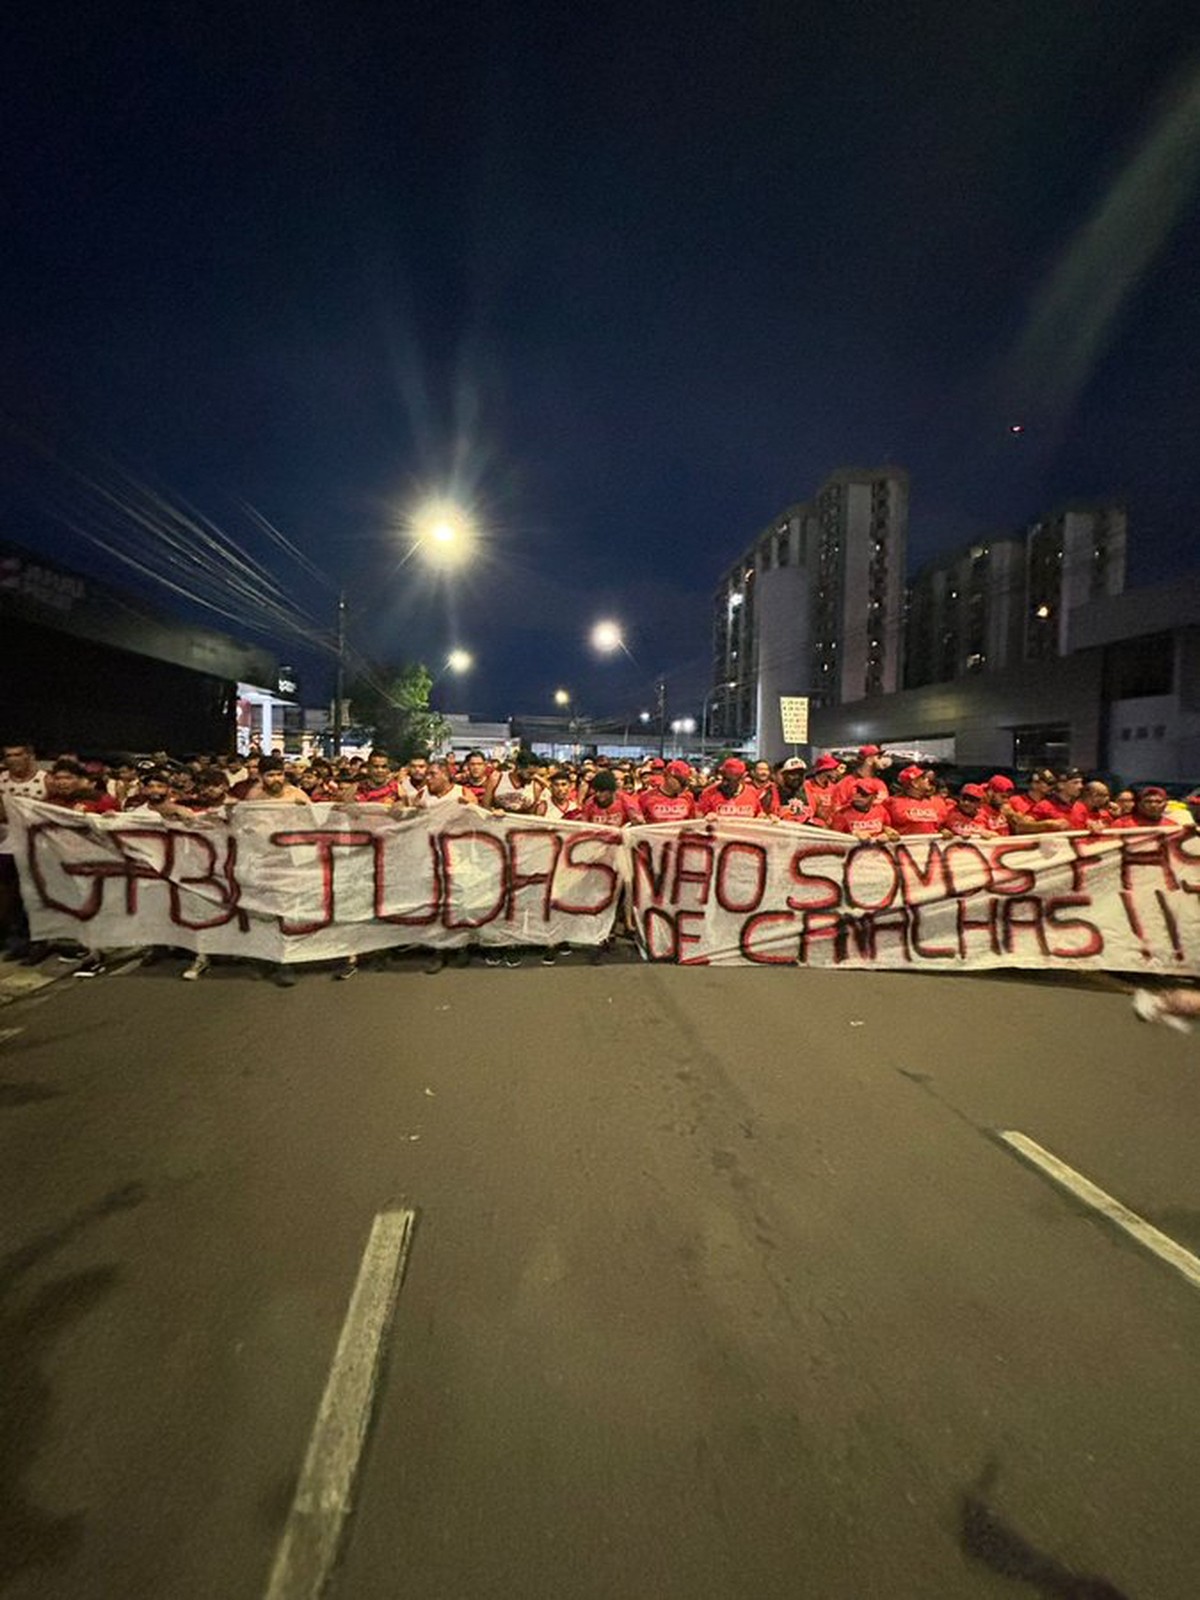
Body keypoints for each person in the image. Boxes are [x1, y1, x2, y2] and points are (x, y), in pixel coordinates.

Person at [0, 740, 48, 958]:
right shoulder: (1, 780)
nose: (13, 759)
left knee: (36, 895)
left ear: (29, 755)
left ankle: (40, 941)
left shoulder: (45, 780)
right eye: (8, 755)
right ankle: (16, 941)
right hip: (6, 847)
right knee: (10, 897)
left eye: (18, 754)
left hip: (38, 848)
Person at [885, 766, 946, 835]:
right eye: (923, 778)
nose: (928, 780)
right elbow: (884, 824)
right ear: (914, 783)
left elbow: (942, 825)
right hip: (905, 844)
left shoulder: (938, 802)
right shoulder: (892, 802)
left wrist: (943, 830)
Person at [831, 781, 898, 839]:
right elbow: (835, 838)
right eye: (856, 792)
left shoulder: (881, 811)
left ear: (874, 797)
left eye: (864, 794)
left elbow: (886, 827)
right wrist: (853, 835)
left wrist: (887, 831)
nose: (858, 796)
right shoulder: (842, 813)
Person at [698, 758, 762, 819]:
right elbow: (698, 818)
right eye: (724, 778)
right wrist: (706, 817)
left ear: (741, 779)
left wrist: (765, 817)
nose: (725, 783)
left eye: (729, 780)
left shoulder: (751, 793)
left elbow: (759, 815)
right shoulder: (708, 793)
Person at [1108, 786, 1180, 831]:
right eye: (1148, 801)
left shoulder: (1173, 827)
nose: (1153, 805)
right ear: (1139, 804)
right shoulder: (1121, 824)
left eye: (1158, 802)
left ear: (1165, 805)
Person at [804, 753, 841, 827]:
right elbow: (811, 811)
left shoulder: (834, 788)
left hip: (831, 826)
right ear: (825, 770)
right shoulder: (807, 785)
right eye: (833, 769)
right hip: (814, 826)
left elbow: (836, 810)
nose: (837, 773)